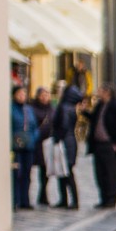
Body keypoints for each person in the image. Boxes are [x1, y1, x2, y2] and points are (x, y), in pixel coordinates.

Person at [87, 86, 116, 209]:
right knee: (100, 173)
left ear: (107, 92)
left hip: (109, 145)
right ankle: (103, 198)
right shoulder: (100, 105)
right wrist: (85, 112)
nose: (98, 93)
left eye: (100, 91)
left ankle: (111, 199)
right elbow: (94, 119)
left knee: (110, 173)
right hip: (98, 144)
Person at [46, 80, 83, 209]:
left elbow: (63, 125)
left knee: (65, 172)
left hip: (64, 142)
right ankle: (67, 200)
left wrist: (57, 137)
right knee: (64, 171)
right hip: (70, 140)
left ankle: (70, 200)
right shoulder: (70, 107)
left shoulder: (64, 107)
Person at [9, 86, 40, 211]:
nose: (22, 96)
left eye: (24, 94)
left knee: (27, 174)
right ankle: (14, 201)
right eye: (20, 94)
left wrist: (33, 138)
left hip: (28, 146)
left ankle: (25, 201)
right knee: (16, 174)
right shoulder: (10, 108)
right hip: (15, 147)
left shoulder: (28, 109)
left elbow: (34, 126)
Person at [30, 86, 54, 206]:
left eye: (47, 95)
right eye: (42, 95)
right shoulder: (33, 108)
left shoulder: (51, 109)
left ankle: (43, 195)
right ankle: (28, 198)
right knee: (34, 170)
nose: (45, 97)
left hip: (48, 143)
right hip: (37, 143)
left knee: (45, 171)